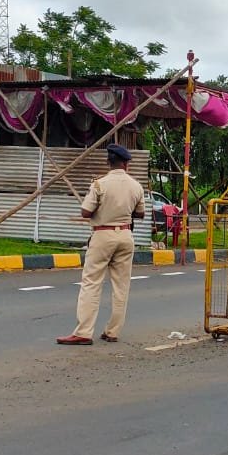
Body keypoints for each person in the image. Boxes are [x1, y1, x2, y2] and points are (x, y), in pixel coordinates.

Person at [57, 144, 145, 346]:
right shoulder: (136, 186)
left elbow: (85, 212)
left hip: (102, 235)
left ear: (109, 163)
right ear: (126, 164)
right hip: (125, 235)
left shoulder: (99, 184)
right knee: (121, 286)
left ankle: (84, 332)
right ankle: (112, 332)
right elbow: (140, 214)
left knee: (91, 283)